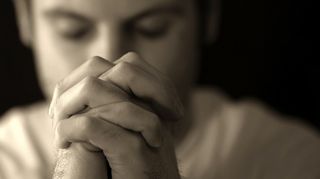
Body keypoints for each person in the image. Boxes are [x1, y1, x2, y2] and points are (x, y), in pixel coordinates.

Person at [0, 0, 319, 178]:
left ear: (208, 17)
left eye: (151, 29)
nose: (111, 60)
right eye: (73, 31)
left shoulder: (290, 158)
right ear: (25, 21)